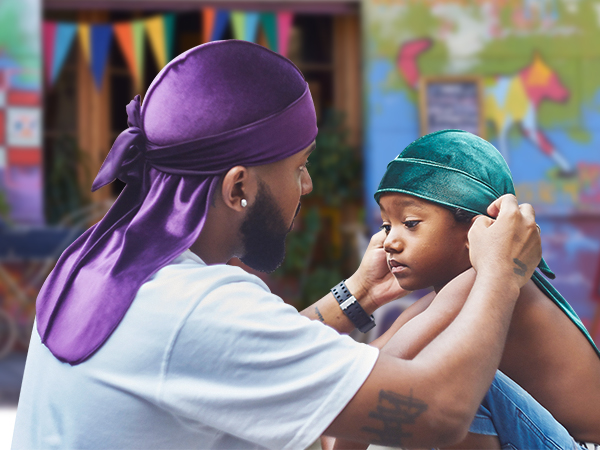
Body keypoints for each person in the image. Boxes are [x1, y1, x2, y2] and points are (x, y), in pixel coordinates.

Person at [12, 42, 542, 450]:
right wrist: (503, 272)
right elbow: (439, 411)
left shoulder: (98, 261)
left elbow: (231, 356)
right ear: (238, 186)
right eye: (299, 166)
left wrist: (360, 294)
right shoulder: (199, 307)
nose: (306, 187)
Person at [325, 129, 599, 449]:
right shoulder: (447, 298)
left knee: (454, 385)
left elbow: (357, 393)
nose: (389, 241)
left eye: (410, 223)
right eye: (387, 225)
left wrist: (342, 433)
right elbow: (356, 375)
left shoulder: (475, 286)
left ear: (475, 229)